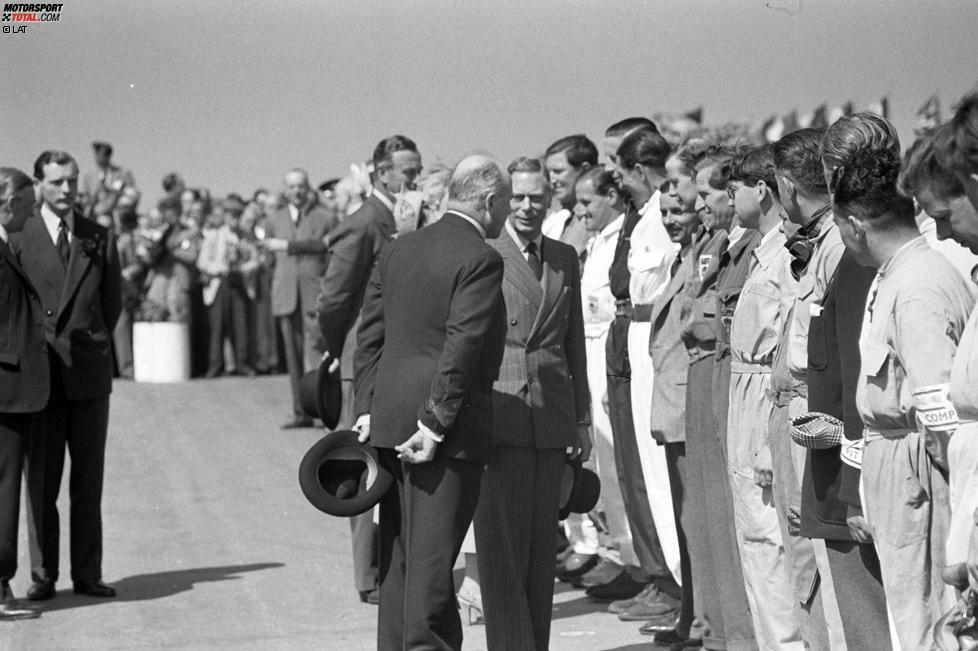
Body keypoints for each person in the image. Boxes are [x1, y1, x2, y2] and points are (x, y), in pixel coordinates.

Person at [353, 154, 510, 650]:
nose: (505, 215)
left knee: (400, 560)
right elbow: (461, 346)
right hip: (440, 433)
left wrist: (366, 408)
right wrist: (436, 424)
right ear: (488, 201)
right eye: (504, 204)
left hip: (390, 418)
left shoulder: (401, 248)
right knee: (433, 570)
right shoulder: (481, 258)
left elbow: (370, 335)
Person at [834, 145, 975, 648]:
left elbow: (941, 407)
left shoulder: (916, 285)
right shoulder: (898, 274)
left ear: (854, 224)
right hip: (898, 460)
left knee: (929, 620)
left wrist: (937, 489)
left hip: (920, 472)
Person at [773, 127, 886, 648]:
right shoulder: (854, 255)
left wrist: (850, 488)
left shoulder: (858, 257)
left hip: (852, 473)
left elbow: (856, 378)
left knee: (866, 626)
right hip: (845, 463)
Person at [473, 156, 591, 650]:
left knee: (542, 552)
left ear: (550, 199)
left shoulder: (564, 256)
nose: (526, 206)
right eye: (516, 197)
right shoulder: (484, 252)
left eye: (536, 197)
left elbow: (574, 343)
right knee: (503, 552)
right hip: (502, 413)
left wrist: (581, 418)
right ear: (500, 200)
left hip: (552, 415)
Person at [317, 135, 422, 604]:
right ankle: (369, 576)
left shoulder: (402, 219)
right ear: (381, 173)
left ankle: (389, 567)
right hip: (365, 359)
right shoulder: (362, 225)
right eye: (407, 173)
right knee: (363, 464)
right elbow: (333, 300)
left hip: (394, 355)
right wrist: (339, 346)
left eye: (417, 172)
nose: (414, 182)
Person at [15, 150, 122, 601]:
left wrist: (91, 340)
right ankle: (44, 575)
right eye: (57, 182)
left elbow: (112, 302)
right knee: (42, 482)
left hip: (88, 374)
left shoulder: (98, 236)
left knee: (88, 480)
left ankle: (87, 572)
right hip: (42, 375)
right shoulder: (20, 236)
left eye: (73, 182)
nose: (66, 191)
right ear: (39, 184)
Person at [724, 145, 805, 649]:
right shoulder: (761, 249)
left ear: (763, 188)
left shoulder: (786, 252)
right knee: (755, 543)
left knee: (770, 541)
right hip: (745, 392)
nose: (729, 197)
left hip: (764, 397)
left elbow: (786, 348)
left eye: (735, 187)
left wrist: (770, 440)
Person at [682, 144, 758, 651]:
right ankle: (719, 632)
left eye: (712, 191)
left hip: (726, 374)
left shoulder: (749, 247)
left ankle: (736, 636)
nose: (700, 202)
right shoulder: (716, 243)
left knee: (733, 523)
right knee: (707, 518)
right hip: (706, 375)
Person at [610, 127, 684, 627]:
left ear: (639, 170)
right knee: (636, 466)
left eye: (621, 170)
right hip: (629, 333)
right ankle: (663, 579)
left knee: (657, 470)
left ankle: (676, 584)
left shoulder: (663, 214)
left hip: (651, 332)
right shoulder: (637, 217)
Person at [571, 167, 644, 595]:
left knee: (619, 468)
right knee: (603, 468)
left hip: (609, 355)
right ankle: (620, 555)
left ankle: (634, 563)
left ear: (613, 197)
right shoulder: (597, 239)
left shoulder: (623, 236)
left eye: (588, 202)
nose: (580, 211)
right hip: (591, 354)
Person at [646, 189, 703, 647]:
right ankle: (693, 613)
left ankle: (701, 620)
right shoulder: (681, 258)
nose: (670, 219)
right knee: (685, 520)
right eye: (664, 212)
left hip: (690, 403)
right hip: (674, 402)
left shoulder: (704, 258)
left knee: (696, 522)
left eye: (679, 210)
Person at [0, 167, 45, 620]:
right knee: (4, 488)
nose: (32, 216)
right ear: (9, 203)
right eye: (29, 207)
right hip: (6, 388)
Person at [264, 168, 337, 428]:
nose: (296, 191)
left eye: (301, 186)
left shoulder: (325, 218)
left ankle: (319, 409)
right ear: (284, 190)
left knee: (314, 353)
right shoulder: (273, 219)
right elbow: (269, 261)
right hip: (286, 294)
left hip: (313, 293)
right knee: (292, 357)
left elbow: (331, 254)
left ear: (308, 189)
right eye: (291, 186)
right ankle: (300, 411)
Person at [541, 135, 598, 259]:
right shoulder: (552, 216)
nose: (551, 180)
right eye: (548, 172)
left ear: (584, 169)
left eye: (558, 171)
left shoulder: (596, 219)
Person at [83, 141, 137, 223]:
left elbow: (121, 194)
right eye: (97, 153)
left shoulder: (121, 174)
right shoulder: (89, 177)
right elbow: (87, 197)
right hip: (93, 214)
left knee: (105, 221)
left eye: (105, 154)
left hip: (114, 214)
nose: (98, 157)